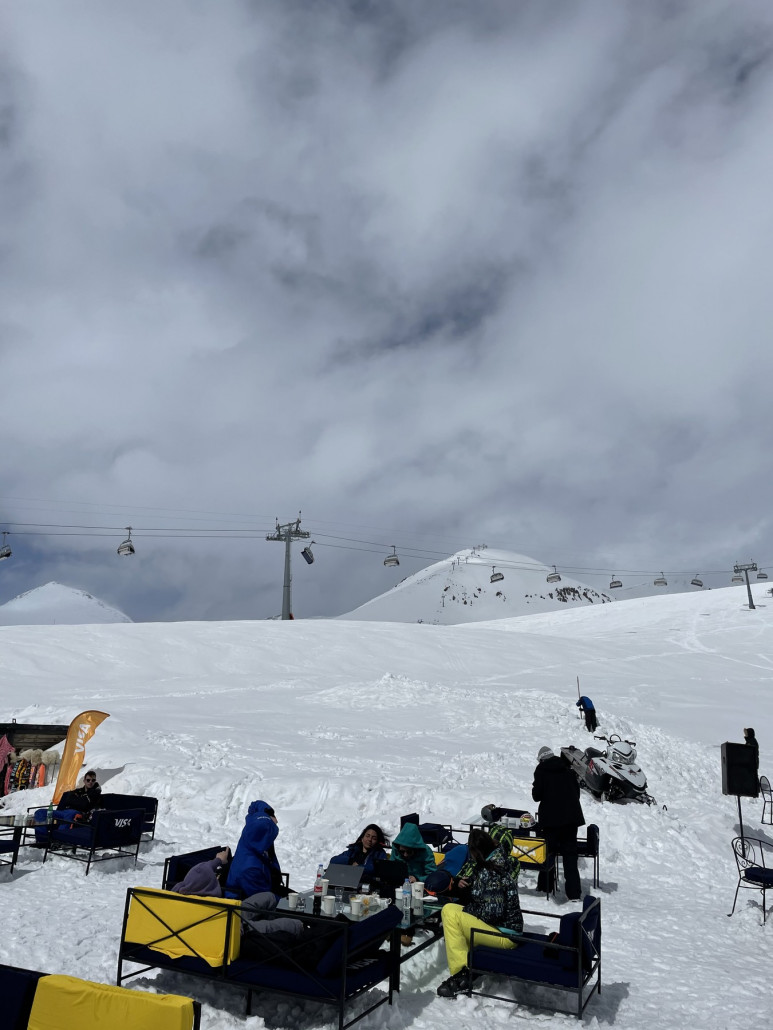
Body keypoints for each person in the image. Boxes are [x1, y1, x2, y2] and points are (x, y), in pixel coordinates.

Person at [436, 827, 523, 998]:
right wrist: (469, 883)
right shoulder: (492, 863)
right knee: (450, 910)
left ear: (477, 851)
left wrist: (469, 909)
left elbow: (493, 913)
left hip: (505, 935)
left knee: (451, 915)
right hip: (503, 927)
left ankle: (462, 973)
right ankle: (467, 966)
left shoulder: (492, 871)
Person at [531, 746, 585, 901]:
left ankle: (545, 887)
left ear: (541, 759)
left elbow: (536, 796)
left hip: (551, 821)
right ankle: (574, 894)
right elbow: (576, 793)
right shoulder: (568, 769)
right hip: (570, 820)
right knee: (570, 856)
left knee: (548, 853)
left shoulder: (541, 770)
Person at [224, 800, 288, 901]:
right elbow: (265, 900)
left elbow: (255, 805)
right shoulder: (251, 869)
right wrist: (285, 900)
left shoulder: (251, 832)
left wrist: (269, 812)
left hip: (262, 889)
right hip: (245, 909)